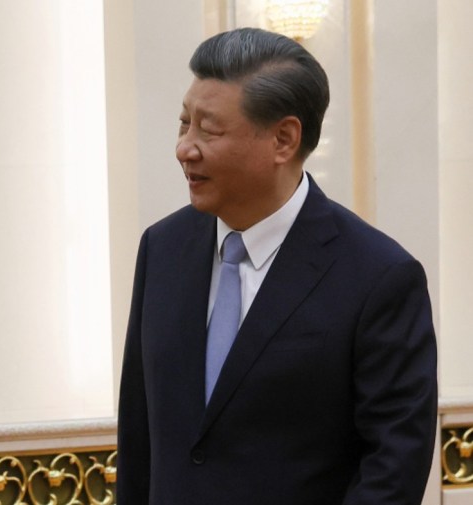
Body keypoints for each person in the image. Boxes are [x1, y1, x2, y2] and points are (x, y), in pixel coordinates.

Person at [116, 28, 437, 504]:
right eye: (184, 123)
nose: (186, 147)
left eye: (209, 129)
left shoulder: (379, 277)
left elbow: (393, 467)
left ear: (284, 139)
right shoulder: (162, 248)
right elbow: (139, 435)